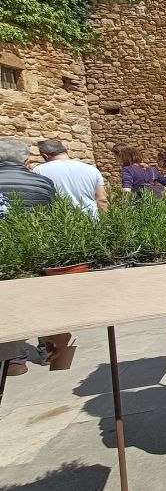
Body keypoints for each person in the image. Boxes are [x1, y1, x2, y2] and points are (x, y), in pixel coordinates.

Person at [0, 138, 66, 376]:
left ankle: (15, 358)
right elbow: (54, 217)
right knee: (38, 298)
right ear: (26, 160)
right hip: (35, 249)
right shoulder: (40, 182)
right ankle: (48, 347)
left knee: (6, 304)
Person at [34, 139, 108, 215]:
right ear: (65, 151)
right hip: (91, 220)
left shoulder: (39, 170)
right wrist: (105, 222)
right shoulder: (92, 169)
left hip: (61, 222)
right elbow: (102, 199)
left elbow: (38, 199)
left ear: (45, 155)